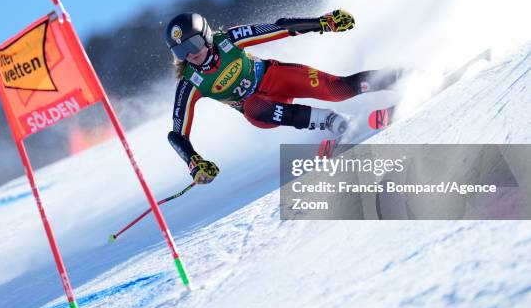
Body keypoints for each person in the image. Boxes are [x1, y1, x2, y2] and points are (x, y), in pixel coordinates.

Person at [165, 10, 400, 184]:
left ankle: (400, 76)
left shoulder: (229, 40)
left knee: (337, 90)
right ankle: (334, 122)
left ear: (205, 36)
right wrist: (193, 163)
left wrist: (322, 23)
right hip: (262, 108)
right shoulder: (189, 83)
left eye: (194, 44)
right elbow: (177, 134)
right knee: (253, 107)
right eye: (181, 51)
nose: (191, 54)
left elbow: (279, 29)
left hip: (277, 76)